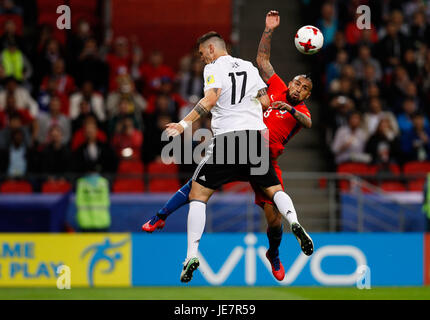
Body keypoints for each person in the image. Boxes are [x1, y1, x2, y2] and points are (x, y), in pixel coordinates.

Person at [143, 11, 313, 283]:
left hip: (230, 140)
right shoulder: (250, 67)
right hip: (257, 143)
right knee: (275, 191)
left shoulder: (213, 68)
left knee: (199, 192)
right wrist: (268, 31)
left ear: (211, 49)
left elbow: (211, 99)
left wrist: (183, 124)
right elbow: (265, 98)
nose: (202, 59)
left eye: (201, 54)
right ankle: (295, 221)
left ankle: (191, 254)